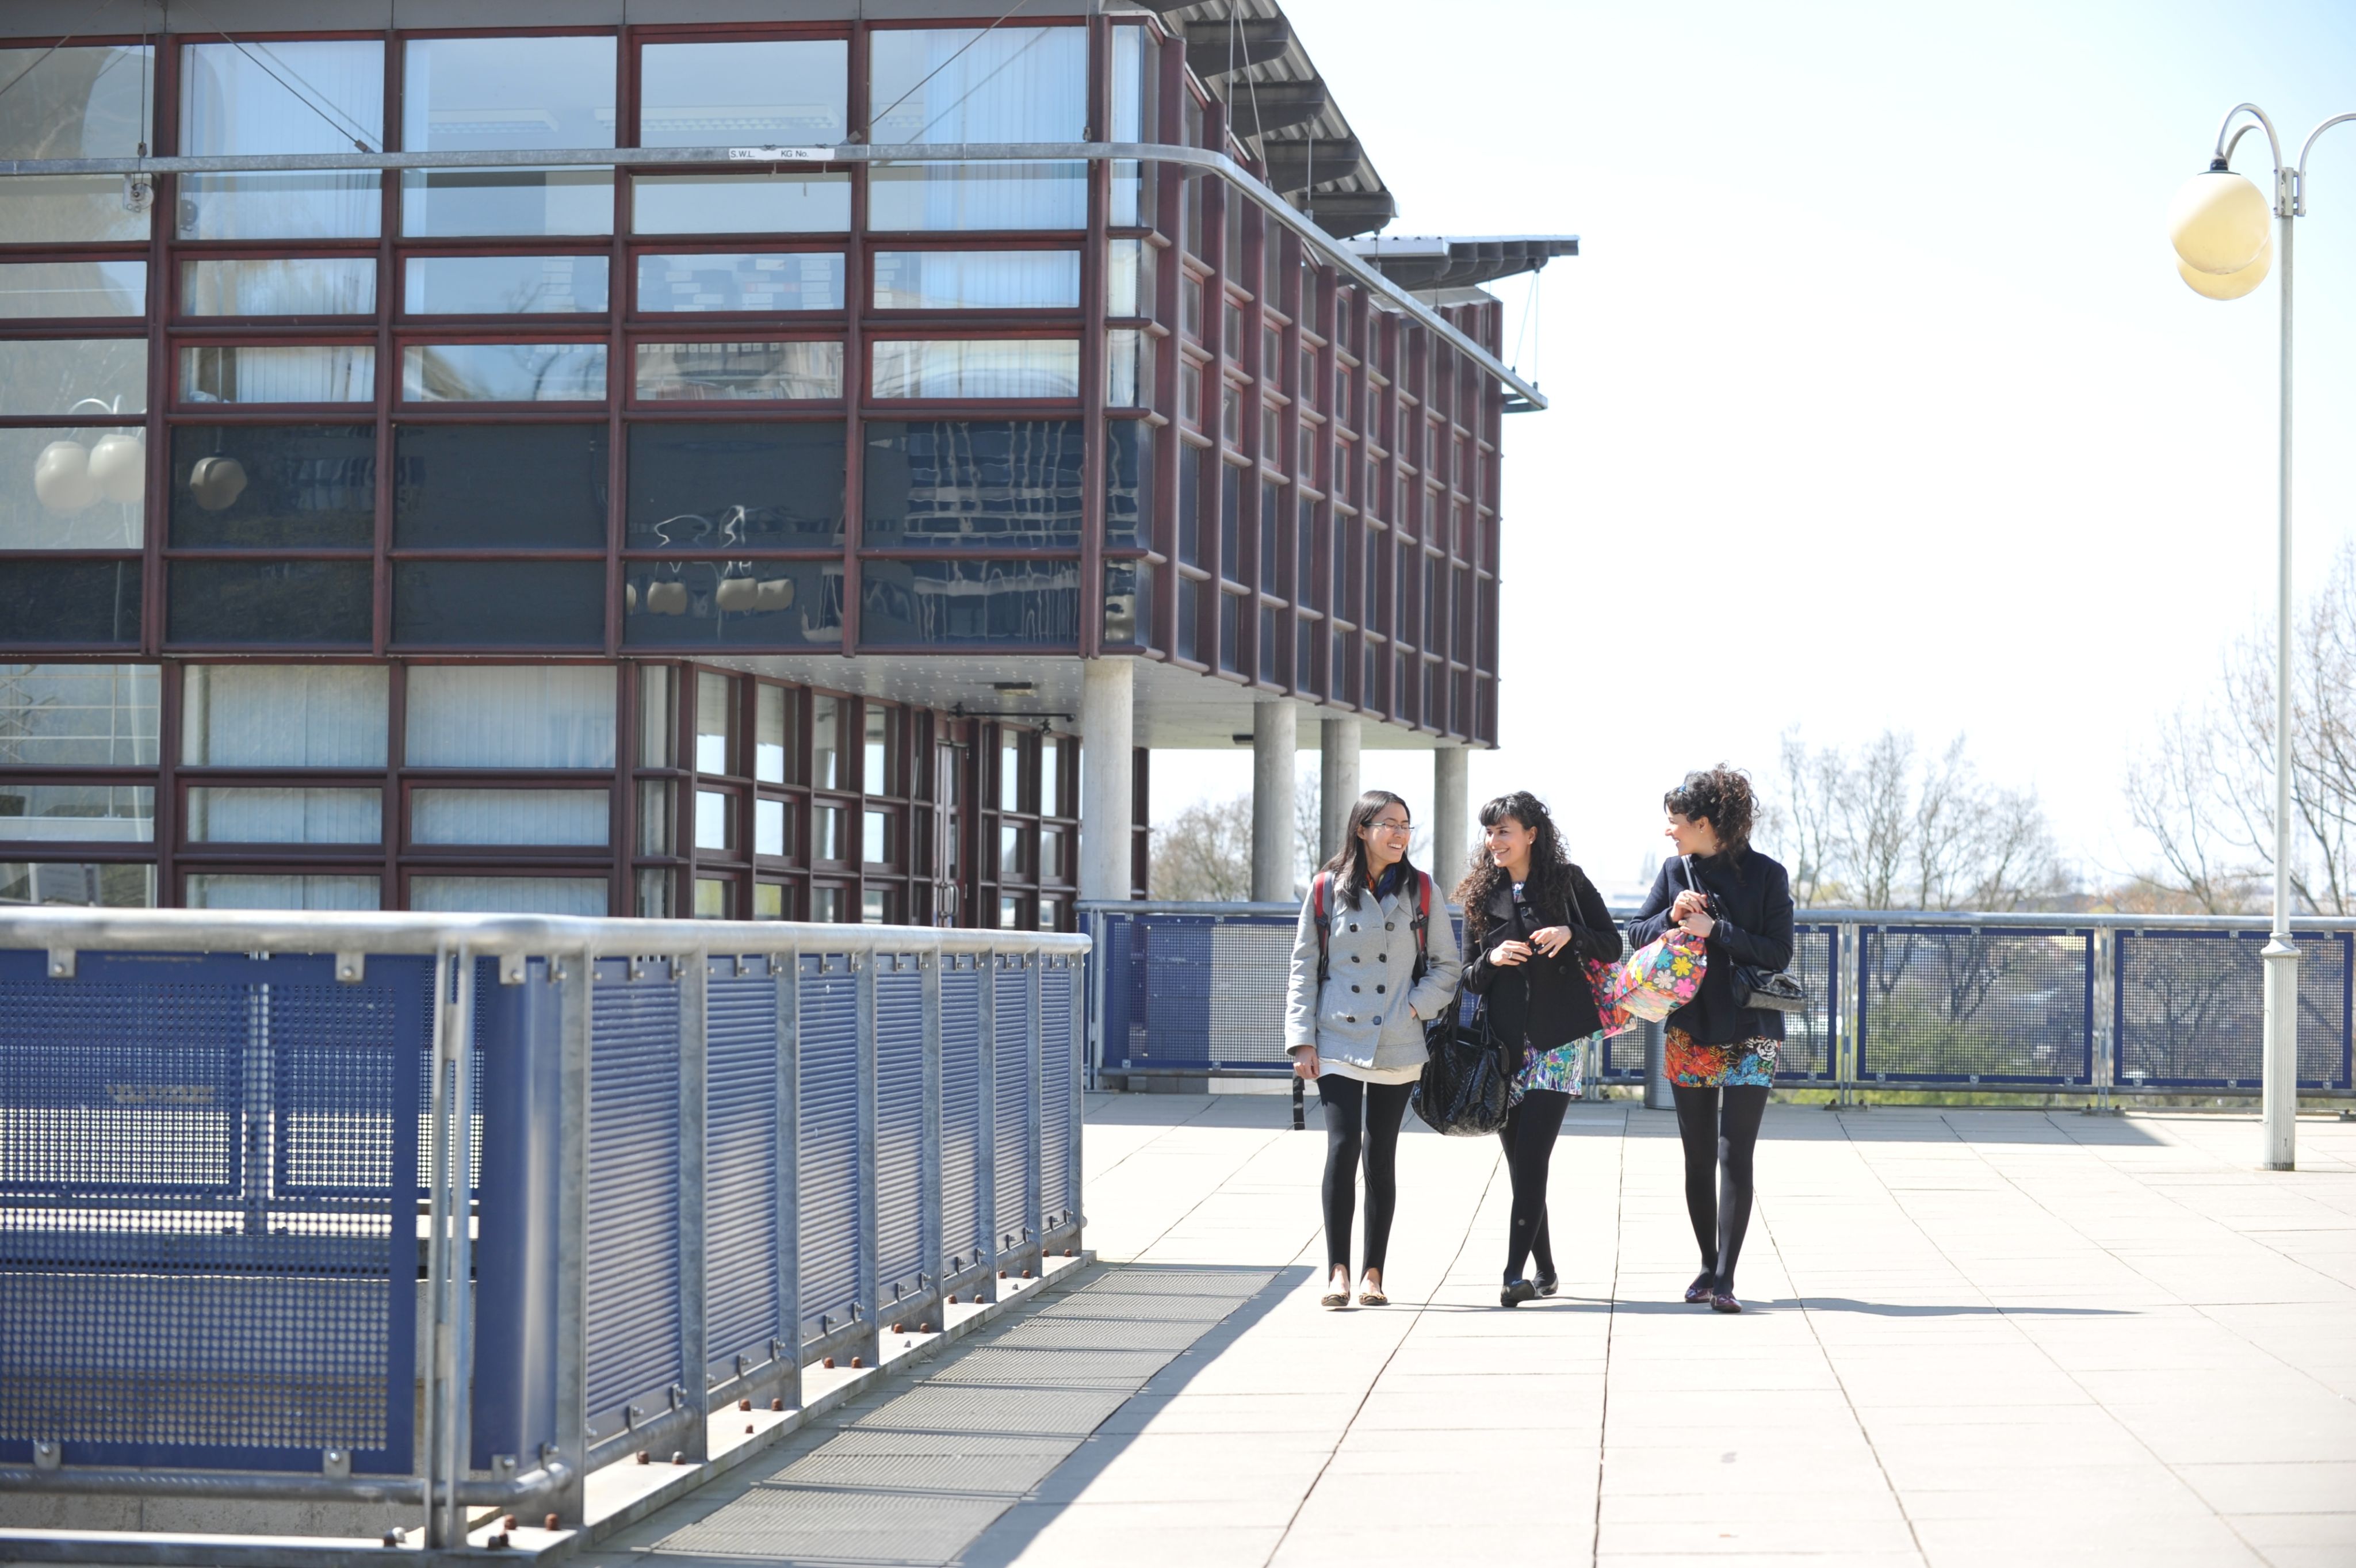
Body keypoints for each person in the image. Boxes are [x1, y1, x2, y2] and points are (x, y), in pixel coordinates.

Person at [1284, 790, 1463, 1309]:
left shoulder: (1422, 891)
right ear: (1362, 829)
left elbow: (1447, 967)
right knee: (1343, 1148)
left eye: (1406, 825)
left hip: (1398, 1038)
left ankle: (1373, 1273)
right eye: (1389, 824)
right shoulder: (1325, 890)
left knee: (1381, 1155)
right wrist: (1301, 1040)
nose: (1400, 834)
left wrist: (1414, 1007)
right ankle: (1337, 1270)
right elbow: (1303, 970)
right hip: (1337, 1034)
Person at [1626, 765, 1795, 1314]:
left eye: (1675, 823)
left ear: (1703, 822)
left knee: (1734, 1153)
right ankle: (1705, 1264)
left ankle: (1725, 1277)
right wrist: (1670, 918)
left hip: (1751, 1031)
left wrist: (1715, 931)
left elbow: (1778, 954)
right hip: (1690, 1029)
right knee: (1697, 1156)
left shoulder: (1769, 875)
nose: (1670, 832)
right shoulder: (1675, 871)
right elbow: (1634, 933)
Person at [1457, 791, 1623, 1308]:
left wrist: (1570, 933)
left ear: (1532, 834)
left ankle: (1513, 1274)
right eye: (1489, 833)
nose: (1494, 842)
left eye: (1504, 831)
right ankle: (1546, 1270)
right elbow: (1468, 979)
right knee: (1520, 1166)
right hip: (1503, 1048)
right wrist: (1493, 958)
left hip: (1558, 1040)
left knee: (1532, 1157)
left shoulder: (1567, 882)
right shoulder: (1481, 897)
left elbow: (1613, 944)